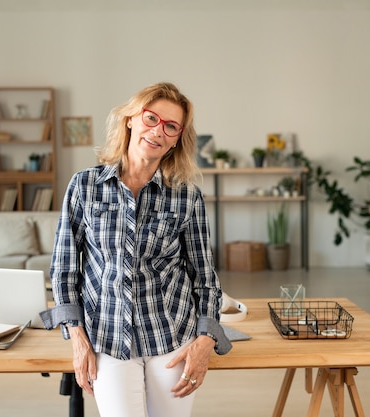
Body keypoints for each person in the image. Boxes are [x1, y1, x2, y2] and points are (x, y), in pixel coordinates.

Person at [41, 82, 231, 417]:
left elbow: (205, 277)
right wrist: (77, 339)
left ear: (177, 139)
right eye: (151, 118)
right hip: (107, 337)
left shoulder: (186, 196)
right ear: (131, 119)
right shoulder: (84, 186)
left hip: (172, 336)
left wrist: (206, 340)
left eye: (170, 126)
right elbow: (64, 270)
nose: (158, 131)